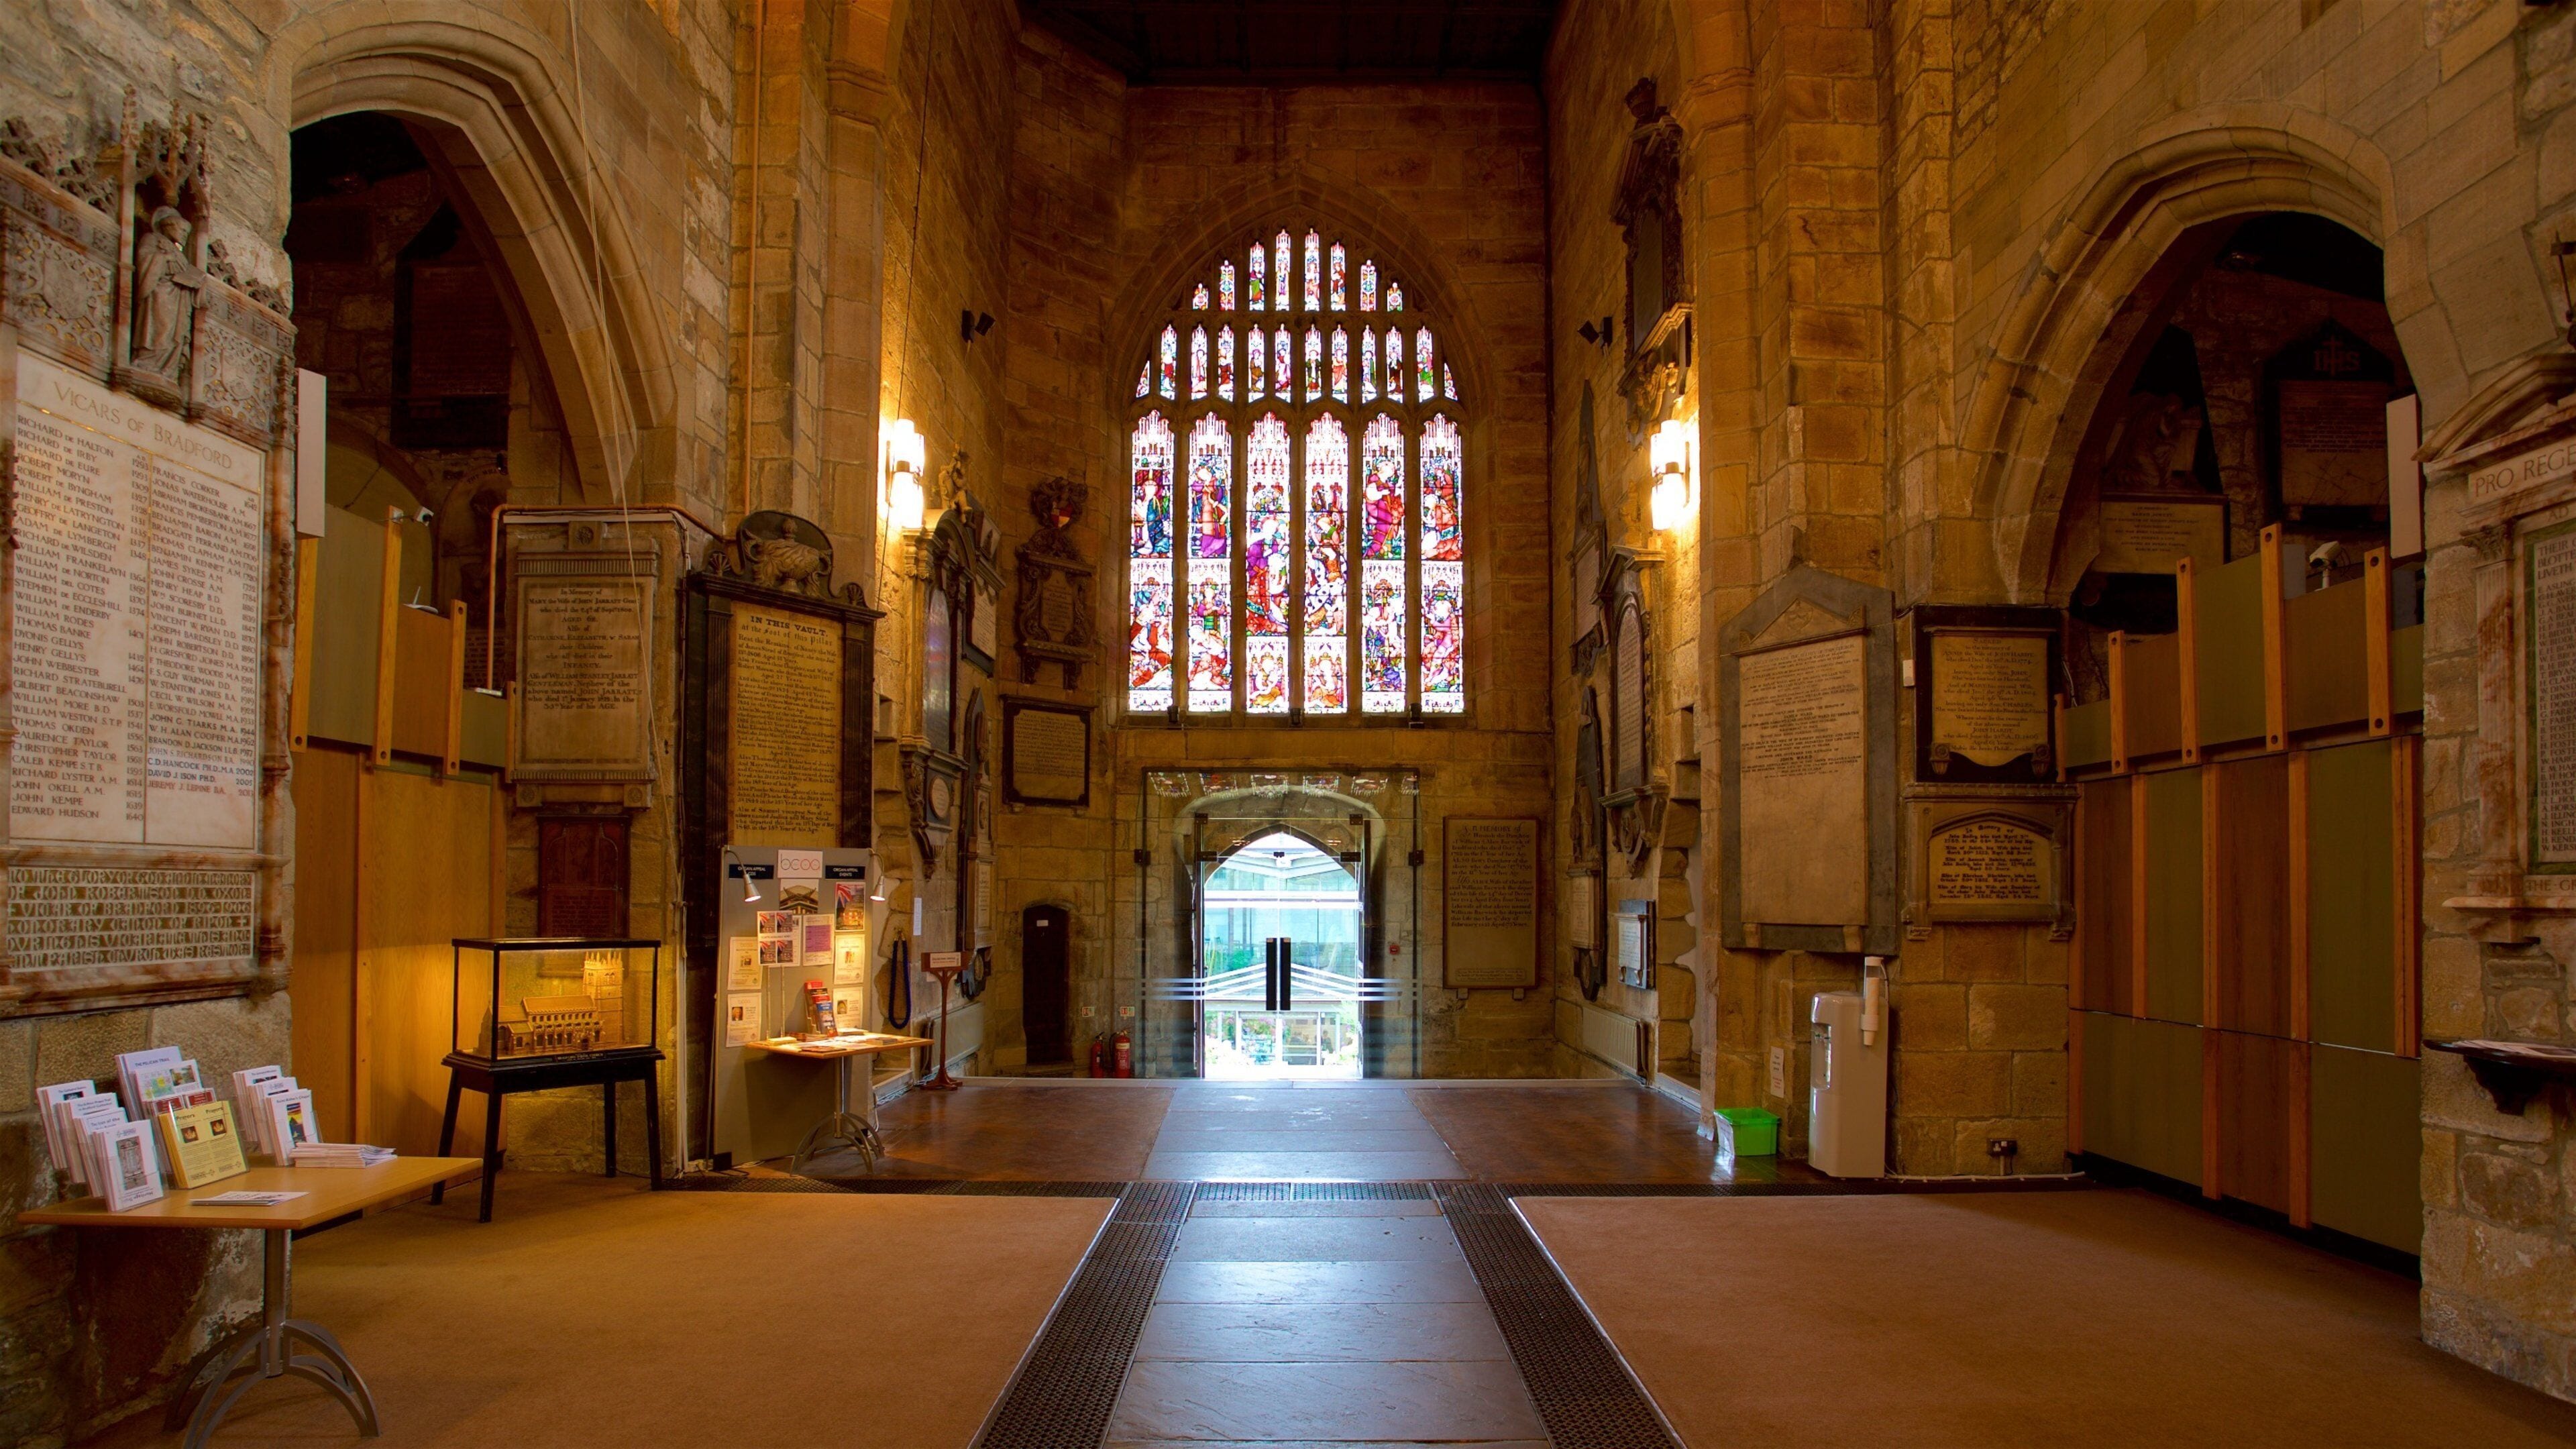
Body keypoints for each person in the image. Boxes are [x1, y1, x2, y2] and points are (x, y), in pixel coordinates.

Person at [130, 206, 203, 378]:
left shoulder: (179, 253)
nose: (184, 235)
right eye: (182, 230)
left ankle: (169, 368)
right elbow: (144, 260)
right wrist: (165, 258)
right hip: (158, 295)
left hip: (179, 299)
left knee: (174, 334)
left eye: (187, 233)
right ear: (169, 227)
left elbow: (185, 271)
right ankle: (147, 361)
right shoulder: (152, 239)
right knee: (159, 329)